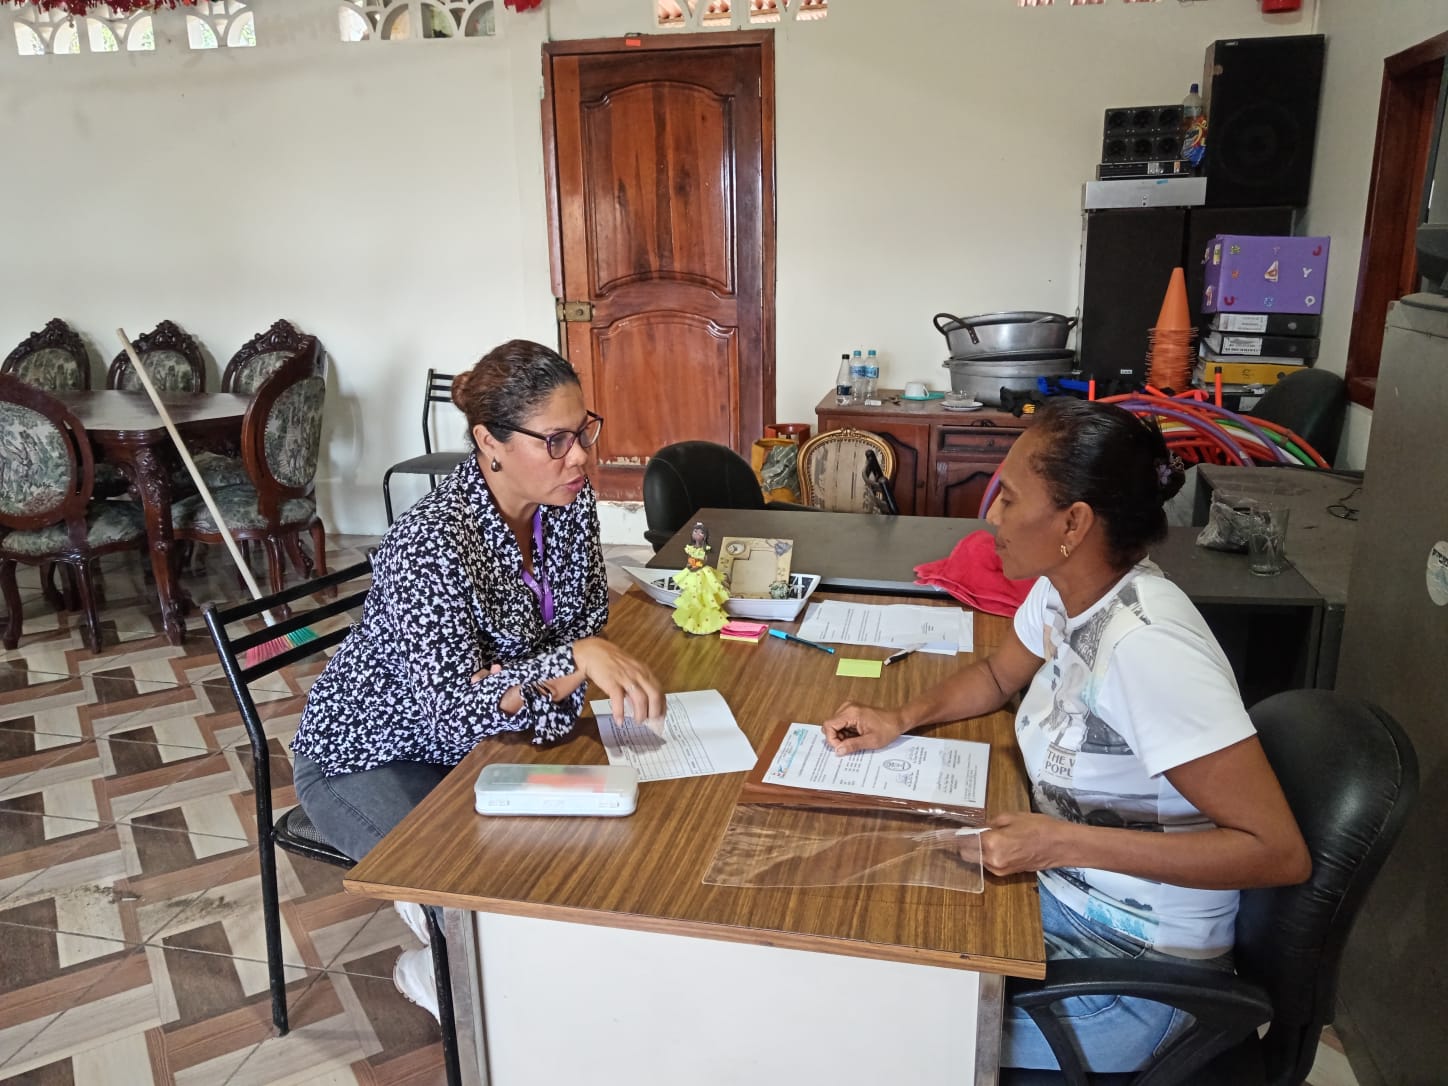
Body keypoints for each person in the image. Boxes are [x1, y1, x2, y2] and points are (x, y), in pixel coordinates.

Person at [820, 398, 1310, 1074]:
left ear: (1074, 523)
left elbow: (1277, 853)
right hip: (1062, 902)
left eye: (1010, 499)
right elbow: (996, 675)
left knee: (878, 1031)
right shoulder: (1067, 591)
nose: (993, 517)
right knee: (867, 921)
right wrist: (899, 717)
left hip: (1138, 974)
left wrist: (1059, 842)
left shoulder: (1148, 649)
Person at [291, 339, 663, 1018]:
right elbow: (454, 708)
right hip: (368, 755)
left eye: (583, 431)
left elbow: (582, 628)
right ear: (490, 441)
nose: (580, 457)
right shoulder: (430, 542)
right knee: (473, 899)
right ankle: (429, 968)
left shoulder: (567, 503)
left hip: (477, 742)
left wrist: (520, 681)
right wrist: (561, 668)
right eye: (555, 440)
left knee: (583, 857)